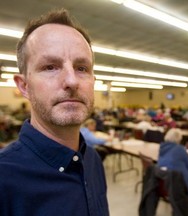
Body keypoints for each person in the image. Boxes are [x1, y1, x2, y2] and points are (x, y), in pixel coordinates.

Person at [0, 9, 109, 216]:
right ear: (24, 86)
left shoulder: (93, 160)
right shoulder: (4, 179)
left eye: (82, 68)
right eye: (50, 67)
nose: (71, 81)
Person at [157, 128, 188, 197]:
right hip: (181, 188)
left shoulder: (162, 148)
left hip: (165, 187)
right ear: (179, 139)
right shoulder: (180, 149)